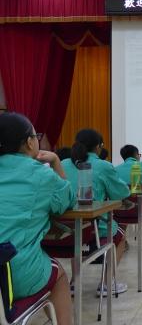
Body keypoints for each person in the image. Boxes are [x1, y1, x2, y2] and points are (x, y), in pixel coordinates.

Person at [0, 112, 75, 325]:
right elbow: (67, 200)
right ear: (29, 142)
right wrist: (56, 161)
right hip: (10, 275)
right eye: (36, 136)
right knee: (58, 274)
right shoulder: (40, 174)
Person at [61, 129, 130, 296]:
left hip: (61, 231)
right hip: (95, 230)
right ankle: (106, 284)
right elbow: (121, 193)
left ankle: (74, 281)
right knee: (119, 236)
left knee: (75, 233)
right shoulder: (103, 166)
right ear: (99, 147)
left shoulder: (62, 164)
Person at [116, 144, 142, 251]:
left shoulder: (115, 169)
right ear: (136, 155)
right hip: (141, 210)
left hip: (120, 211)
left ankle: (123, 241)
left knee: (123, 212)